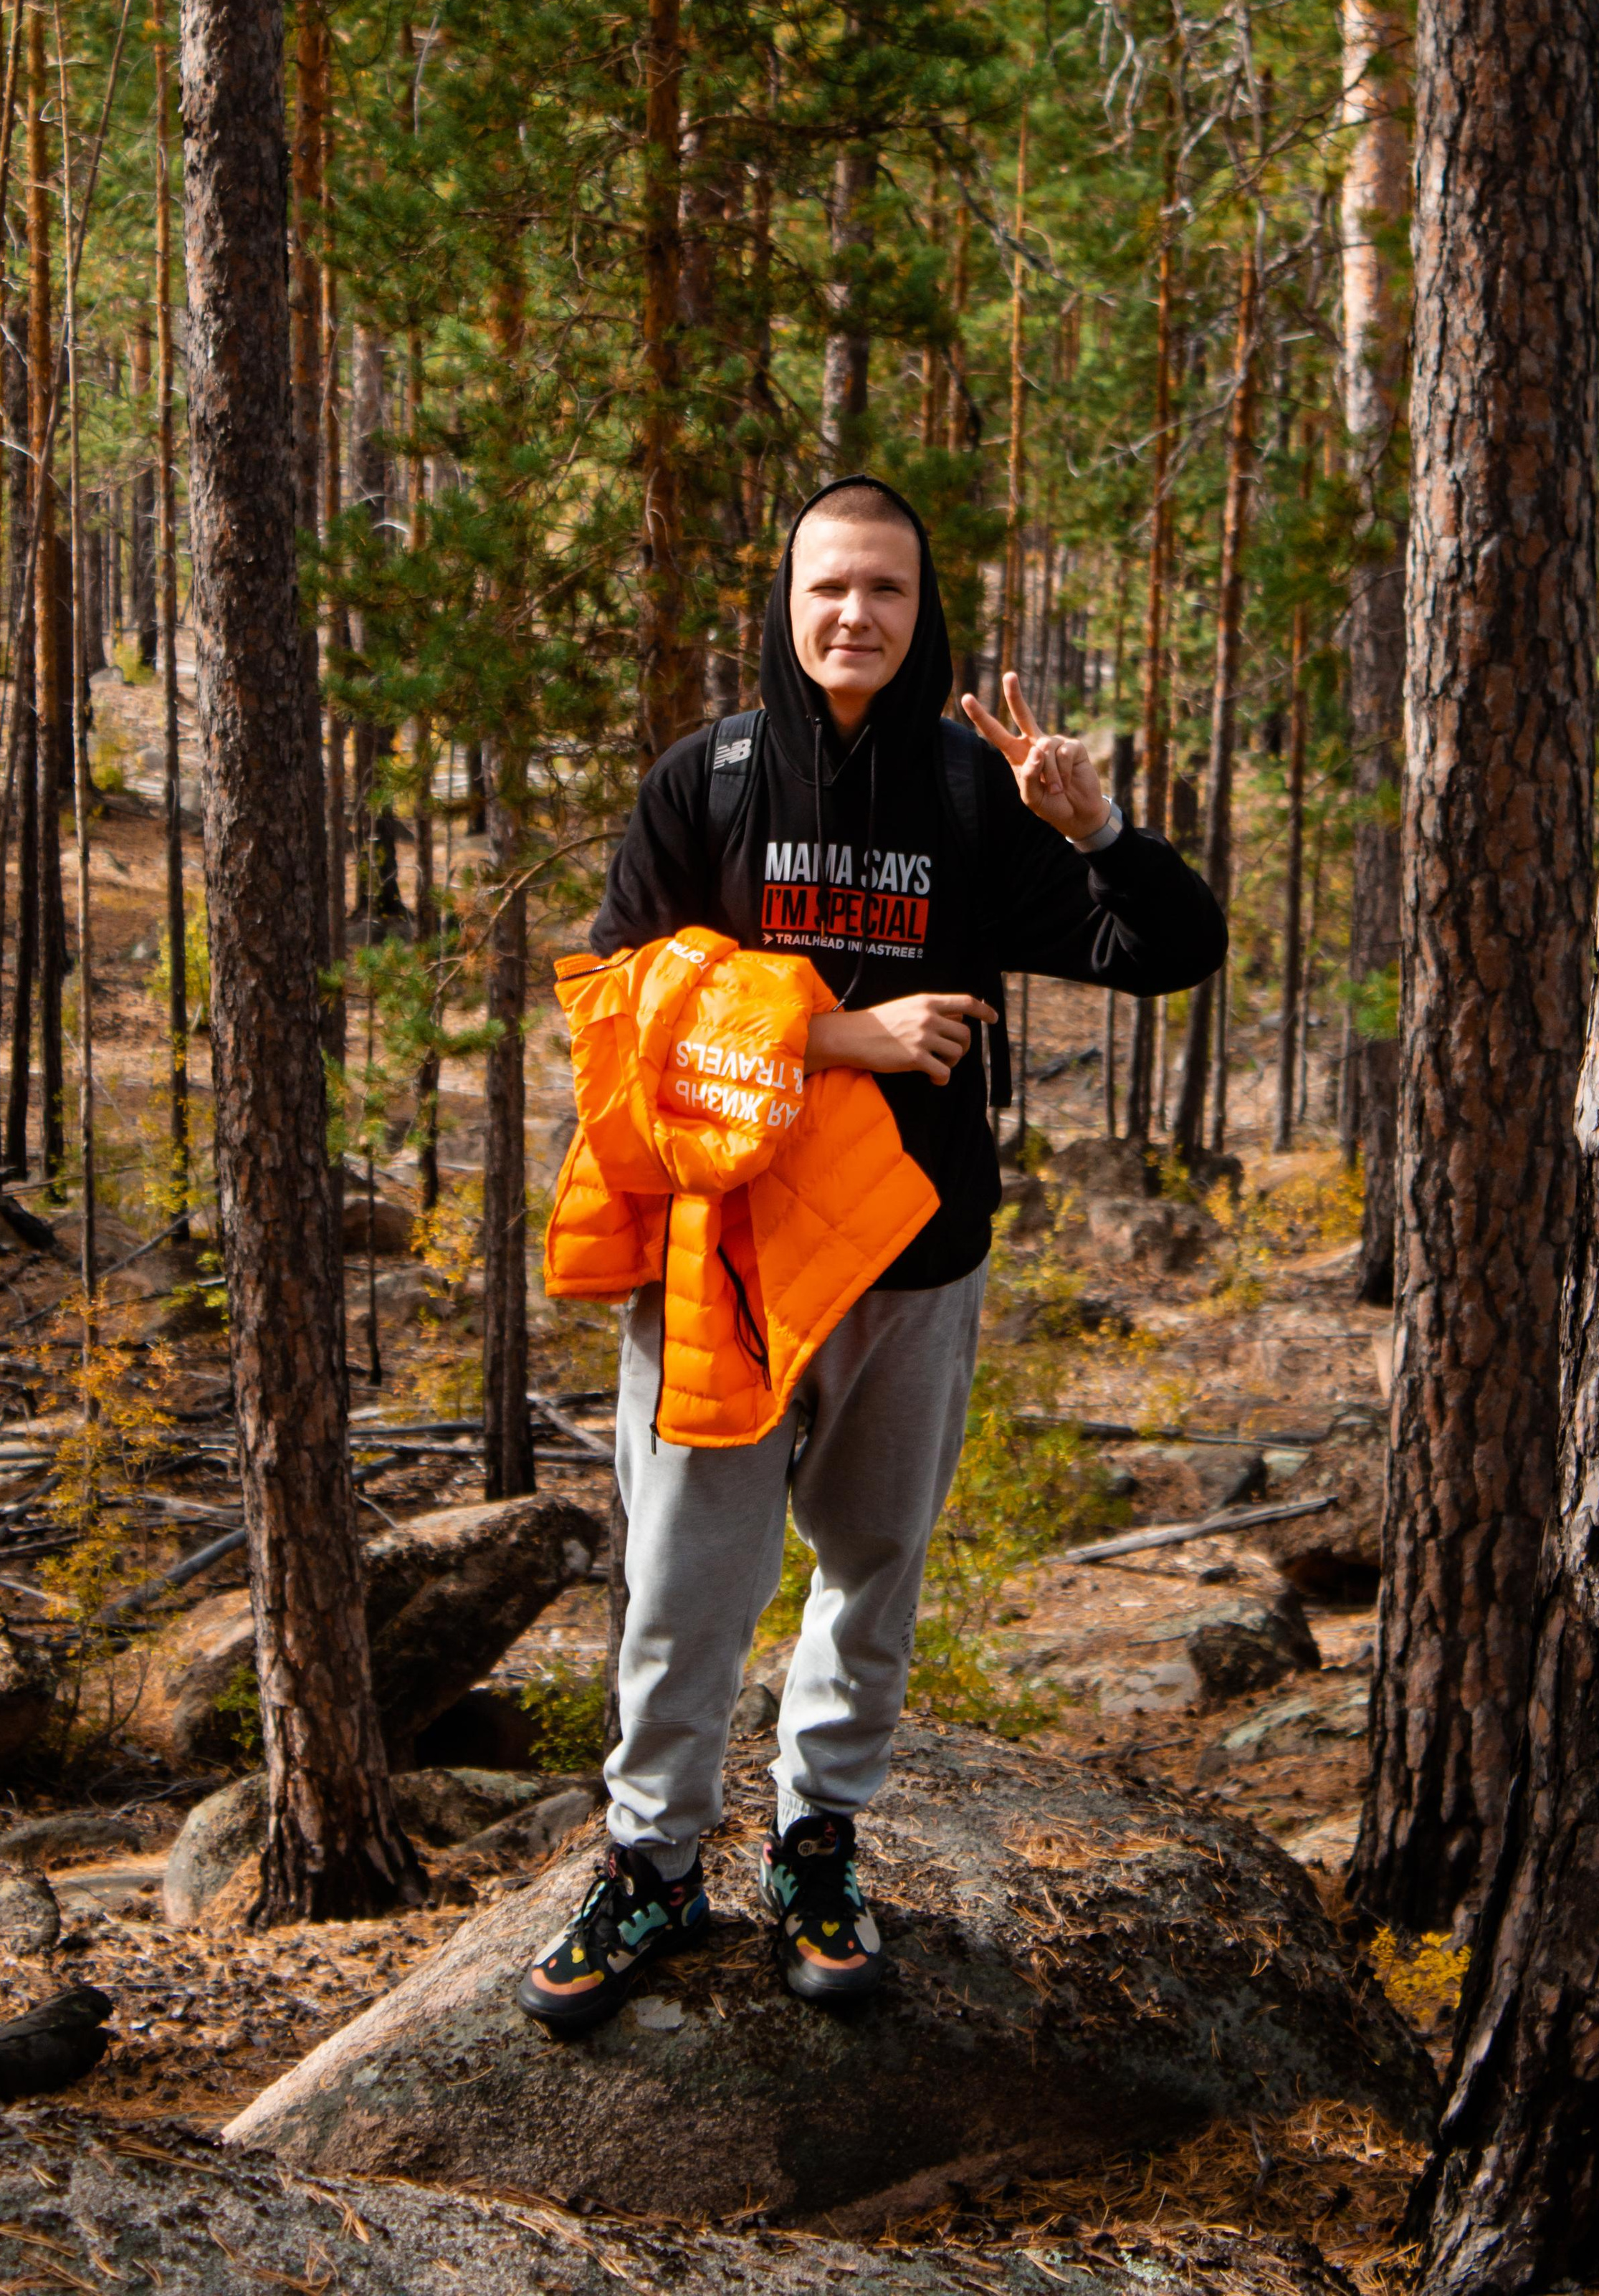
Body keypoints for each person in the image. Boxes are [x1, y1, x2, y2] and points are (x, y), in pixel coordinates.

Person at [518, 475, 1224, 2031]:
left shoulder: (974, 798)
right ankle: (647, 1863)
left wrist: (1095, 826)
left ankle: (815, 1847)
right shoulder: (703, 782)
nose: (856, 616)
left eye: (887, 593)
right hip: (727, 1260)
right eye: (830, 587)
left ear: (925, 614)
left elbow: (1171, 953)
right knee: (682, 1583)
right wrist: (842, 1036)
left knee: (870, 1569)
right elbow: (618, 1020)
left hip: (916, 1259)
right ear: (787, 601)